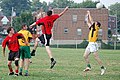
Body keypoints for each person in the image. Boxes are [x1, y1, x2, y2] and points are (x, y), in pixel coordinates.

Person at [83, 11, 106, 75]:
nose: (94, 23)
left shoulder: (96, 28)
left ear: (97, 25)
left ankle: (102, 68)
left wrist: (89, 13)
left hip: (93, 44)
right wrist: (86, 16)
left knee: (96, 57)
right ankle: (89, 66)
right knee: (85, 56)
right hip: (90, 44)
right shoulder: (92, 28)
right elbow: (88, 22)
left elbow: (91, 20)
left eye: (95, 23)